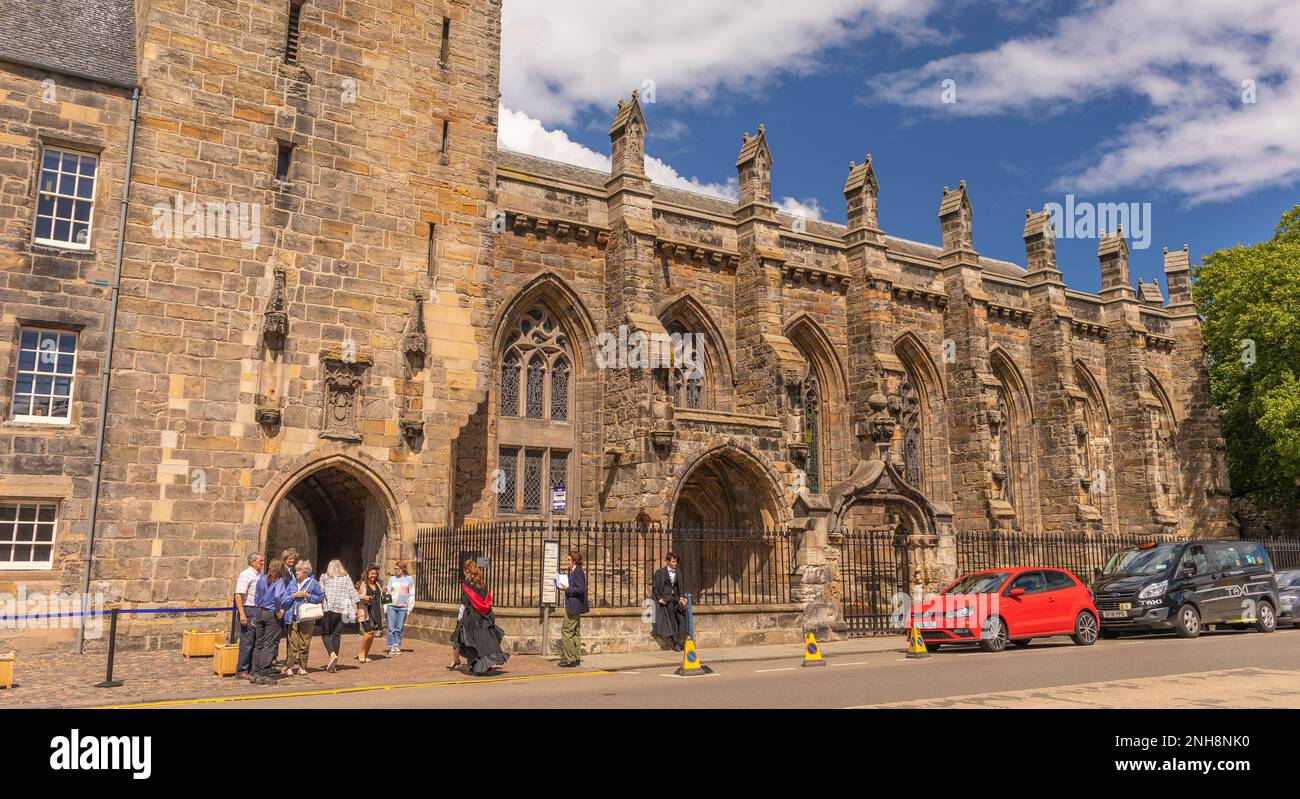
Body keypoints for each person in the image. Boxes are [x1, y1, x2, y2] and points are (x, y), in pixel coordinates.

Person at [449, 559, 509, 675]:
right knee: (484, 641)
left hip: (472, 616)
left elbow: (464, 602)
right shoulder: (481, 582)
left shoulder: (466, 583)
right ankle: (484, 664)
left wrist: (459, 617)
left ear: (466, 571)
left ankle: (475, 666)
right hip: (484, 616)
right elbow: (486, 599)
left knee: (471, 641)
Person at [249, 558, 290, 685]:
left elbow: (256, 595)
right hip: (271, 613)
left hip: (260, 611)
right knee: (269, 644)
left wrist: (258, 606)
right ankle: (262, 674)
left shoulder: (262, 578)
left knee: (259, 643)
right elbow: (278, 597)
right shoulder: (279, 581)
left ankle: (254, 672)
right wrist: (278, 611)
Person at [319, 559, 361, 673]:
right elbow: (353, 593)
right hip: (343, 610)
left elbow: (320, 592)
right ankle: (334, 663)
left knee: (325, 634)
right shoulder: (346, 578)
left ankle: (332, 654)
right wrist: (356, 609)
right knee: (337, 635)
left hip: (329, 609)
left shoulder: (324, 577)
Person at [283, 559, 324, 675]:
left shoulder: (313, 583)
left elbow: (320, 598)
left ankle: (302, 666)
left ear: (305, 572)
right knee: (292, 643)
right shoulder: (292, 583)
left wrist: (309, 596)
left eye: (299, 571)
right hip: (293, 616)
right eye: (296, 570)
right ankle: (289, 666)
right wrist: (293, 596)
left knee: (304, 643)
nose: (297, 573)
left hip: (307, 617)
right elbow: (284, 599)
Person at [234, 551, 264, 679]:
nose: (262, 563)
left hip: (257, 609)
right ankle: (242, 670)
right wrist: (242, 613)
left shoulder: (258, 575)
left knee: (255, 640)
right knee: (246, 641)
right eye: (260, 561)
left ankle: (251, 668)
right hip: (248, 609)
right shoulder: (246, 575)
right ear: (253, 562)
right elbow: (238, 595)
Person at [652, 552, 689, 651]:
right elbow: (655, 587)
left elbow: (680, 586)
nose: (675, 563)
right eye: (673, 561)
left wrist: (681, 597)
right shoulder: (660, 572)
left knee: (682, 619)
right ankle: (676, 643)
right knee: (672, 621)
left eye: (676, 562)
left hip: (677, 599)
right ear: (667, 562)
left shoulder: (678, 571)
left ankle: (682, 641)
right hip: (667, 600)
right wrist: (660, 598)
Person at [559, 550, 588, 667]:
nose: (567, 562)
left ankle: (571, 658)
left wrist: (567, 589)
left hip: (573, 607)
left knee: (566, 631)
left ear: (575, 560)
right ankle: (575, 658)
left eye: (569, 560)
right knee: (575, 632)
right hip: (575, 606)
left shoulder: (577, 572)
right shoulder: (575, 571)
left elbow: (581, 589)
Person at [385, 562, 415, 656]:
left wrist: (409, 608)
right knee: (391, 627)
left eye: (398, 569)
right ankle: (391, 646)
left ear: (403, 569)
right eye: (395, 569)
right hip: (391, 606)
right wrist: (385, 607)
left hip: (403, 607)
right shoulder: (392, 579)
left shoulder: (409, 579)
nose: (396, 570)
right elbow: (387, 593)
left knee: (399, 627)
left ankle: (397, 645)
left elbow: (412, 594)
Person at [355, 565, 383, 663]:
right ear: (367, 574)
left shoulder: (378, 584)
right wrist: (363, 596)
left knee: (372, 634)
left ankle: (366, 654)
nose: (373, 575)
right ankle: (362, 653)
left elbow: (380, 595)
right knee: (369, 632)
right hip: (365, 611)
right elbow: (354, 595)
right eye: (372, 574)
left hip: (376, 611)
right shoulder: (362, 584)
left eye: (375, 573)